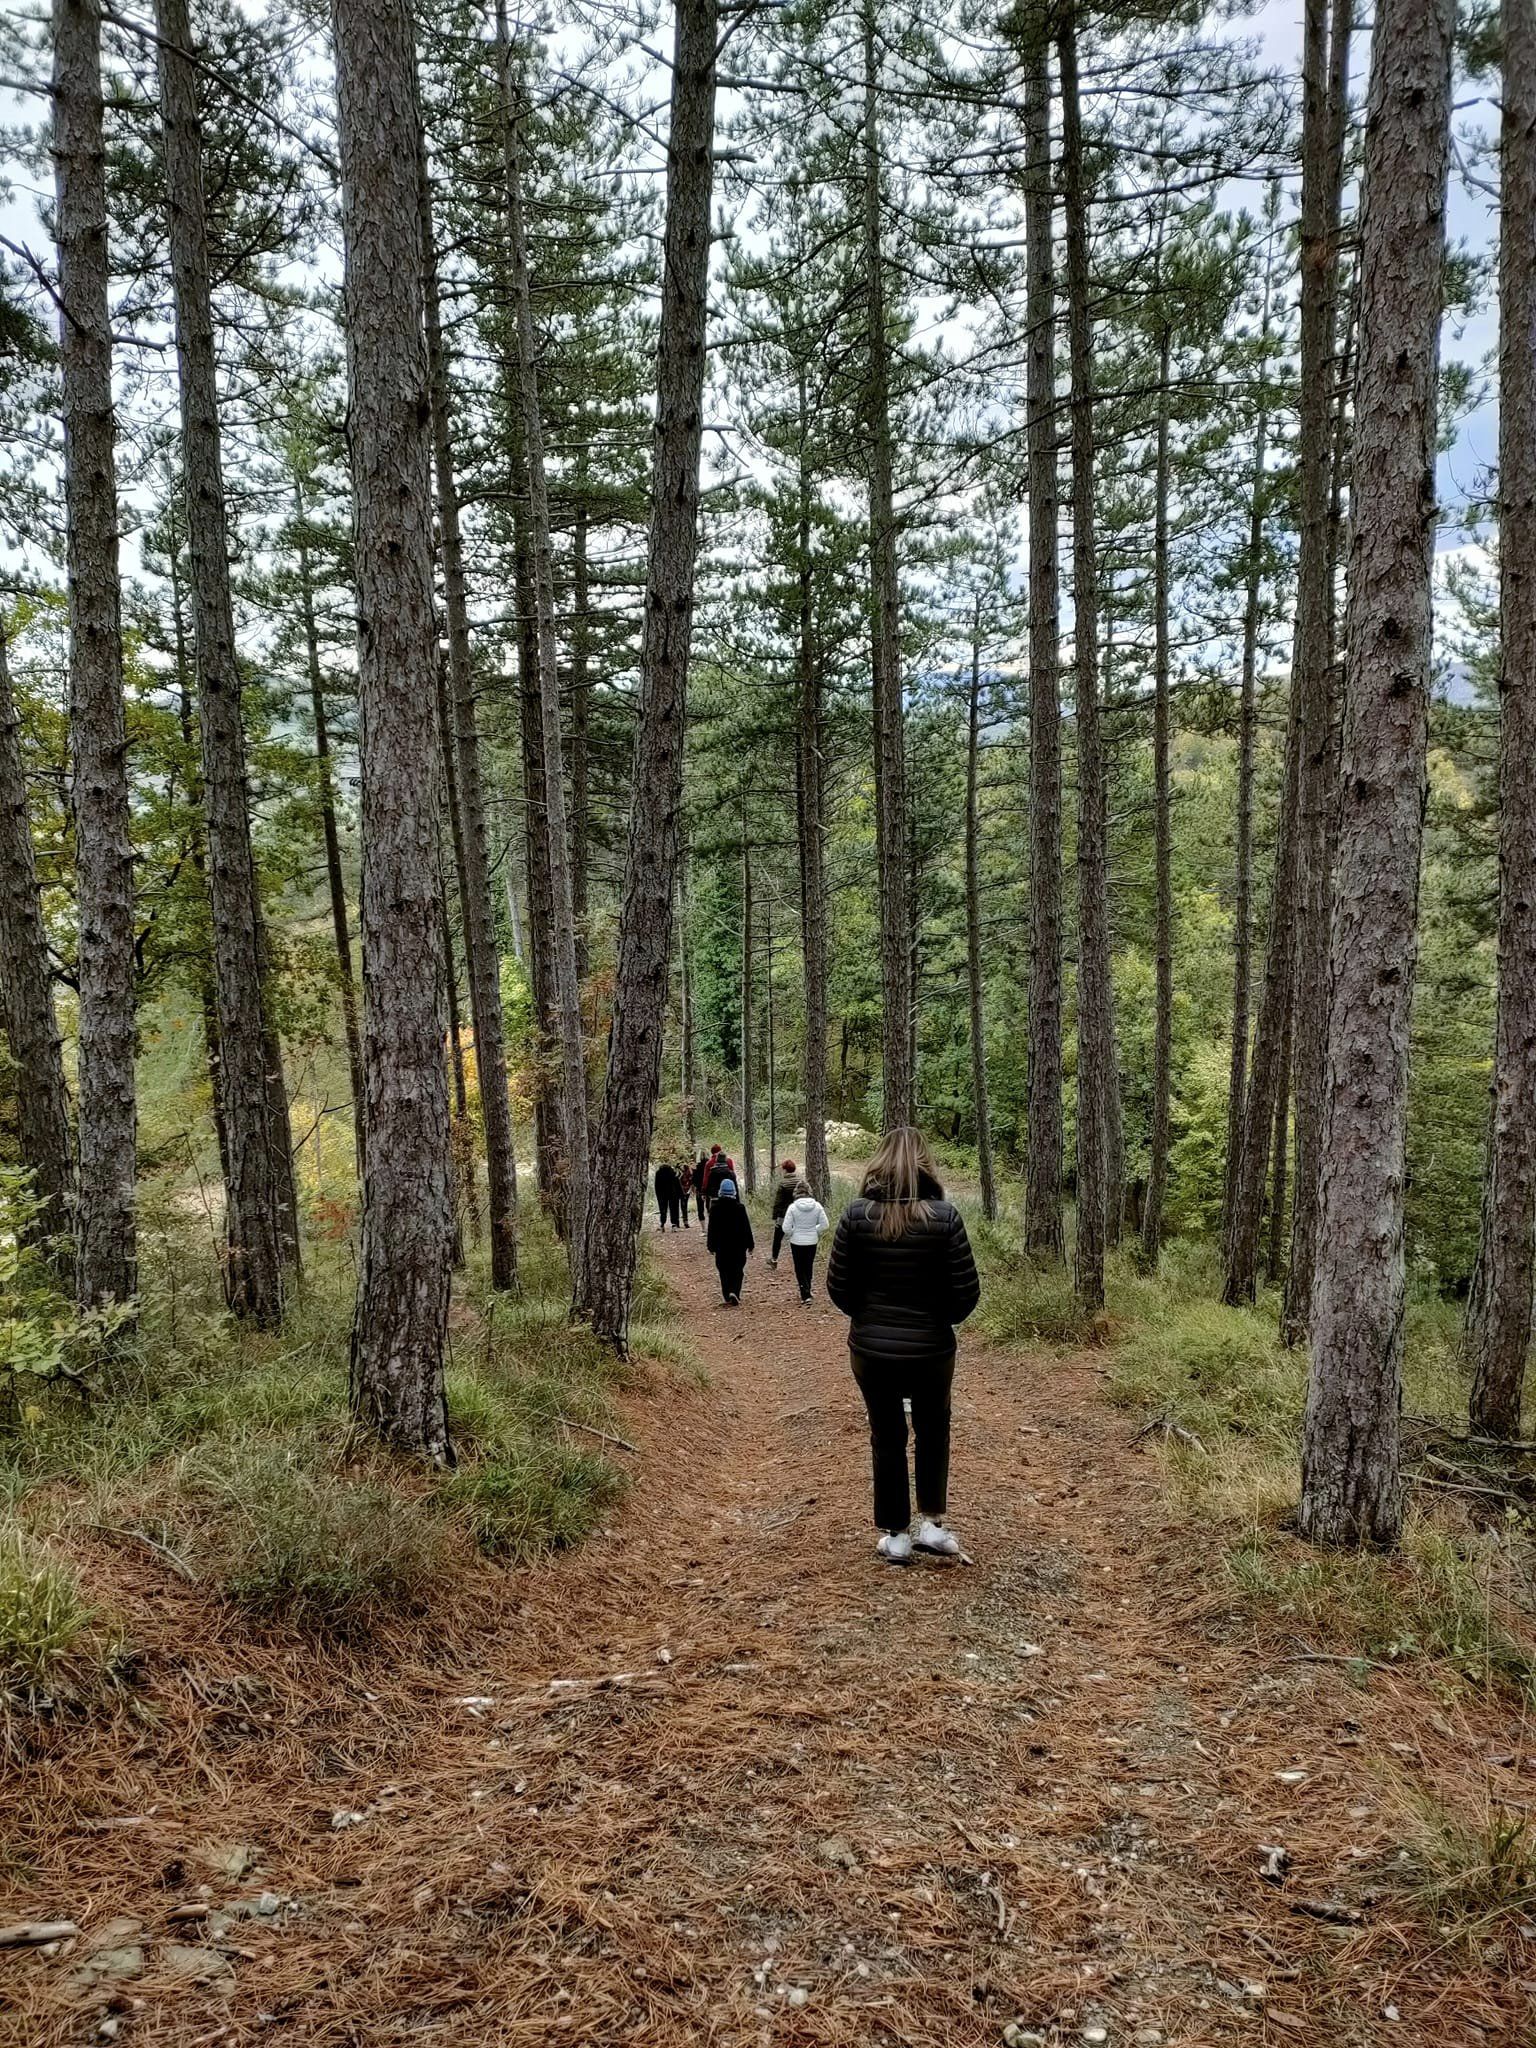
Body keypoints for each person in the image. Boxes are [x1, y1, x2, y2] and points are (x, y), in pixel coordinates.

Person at [826, 1127, 980, 1565]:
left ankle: (895, 1536)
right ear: (924, 1163)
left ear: (878, 1161)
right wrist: (936, 1321)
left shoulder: (856, 1214)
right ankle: (931, 1525)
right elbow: (966, 1292)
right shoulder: (944, 1216)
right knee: (934, 1431)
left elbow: (838, 1287)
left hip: (871, 1352)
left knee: (887, 1436)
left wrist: (869, 1318)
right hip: (932, 1351)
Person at [780, 1179, 830, 1302]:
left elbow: (786, 1228)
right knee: (808, 1265)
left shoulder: (792, 1207)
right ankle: (808, 1290)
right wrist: (814, 1230)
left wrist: (794, 1232)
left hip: (796, 1241)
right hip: (812, 1241)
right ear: (809, 1191)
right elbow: (825, 1225)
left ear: (796, 1192)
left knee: (799, 1267)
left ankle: (804, 1292)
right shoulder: (817, 1206)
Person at [706, 1177, 754, 1305]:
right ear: (734, 1192)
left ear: (720, 1192)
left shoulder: (715, 1209)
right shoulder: (740, 1208)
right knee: (738, 1269)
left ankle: (727, 1294)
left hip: (721, 1247)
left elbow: (711, 1229)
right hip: (738, 1246)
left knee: (723, 1270)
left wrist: (710, 1245)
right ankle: (735, 1291)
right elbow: (746, 1227)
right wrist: (750, 1244)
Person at [767, 1158, 799, 1268]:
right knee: (796, 1238)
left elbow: (778, 1202)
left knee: (777, 1238)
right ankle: (798, 1261)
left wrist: (775, 1216)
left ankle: (774, 1259)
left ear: (785, 1170)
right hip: (797, 1215)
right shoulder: (800, 1182)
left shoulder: (783, 1184)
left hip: (783, 1215)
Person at [654, 1159, 682, 1231]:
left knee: (663, 1209)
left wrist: (658, 1195)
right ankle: (674, 1225)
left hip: (662, 1194)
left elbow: (656, 1185)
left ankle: (662, 1224)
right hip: (672, 1193)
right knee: (673, 1209)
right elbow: (677, 1184)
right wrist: (680, 1194)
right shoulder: (672, 1172)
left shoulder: (658, 1173)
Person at [678, 1158, 694, 1227]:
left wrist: (690, 1190)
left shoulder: (688, 1171)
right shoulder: (678, 1171)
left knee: (684, 1205)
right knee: (682, 1205)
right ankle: (679, 1222)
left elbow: (691, 1181)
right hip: (680, 1190)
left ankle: (685, 1221)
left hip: (685, 1190)